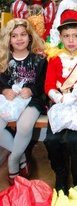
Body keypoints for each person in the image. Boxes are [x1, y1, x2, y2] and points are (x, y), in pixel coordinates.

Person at [44, 9, 77, 194]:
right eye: (66, 36)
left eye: (75, 35)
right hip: (59, 105)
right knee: (51, 140)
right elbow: (49, 85)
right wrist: (59, 98)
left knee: (75, 140)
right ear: (60, 36)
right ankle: (60, 173)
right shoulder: (54, 59)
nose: (71, 40)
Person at [0, 18, 47, 185]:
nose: (19, 39)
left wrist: (32, 90)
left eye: (23, 35)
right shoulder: (3, 60)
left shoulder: (39, 60)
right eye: (14, 36)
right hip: (9, 101)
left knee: (24, 125)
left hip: (32, 100)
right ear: (8, 39)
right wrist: (4, 90)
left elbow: (43, 84)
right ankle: (21, 156)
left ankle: (13, 160)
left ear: (30, 37)